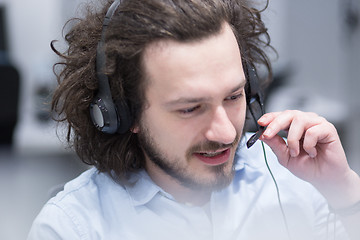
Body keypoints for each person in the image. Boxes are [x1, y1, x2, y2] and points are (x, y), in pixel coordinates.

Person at [27, 0, 360, 239]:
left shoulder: (295, 182)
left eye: (233, 97)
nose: (227, 131)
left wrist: (344, 190)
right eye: (190, 108)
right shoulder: (72, 227)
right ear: (122, 112)